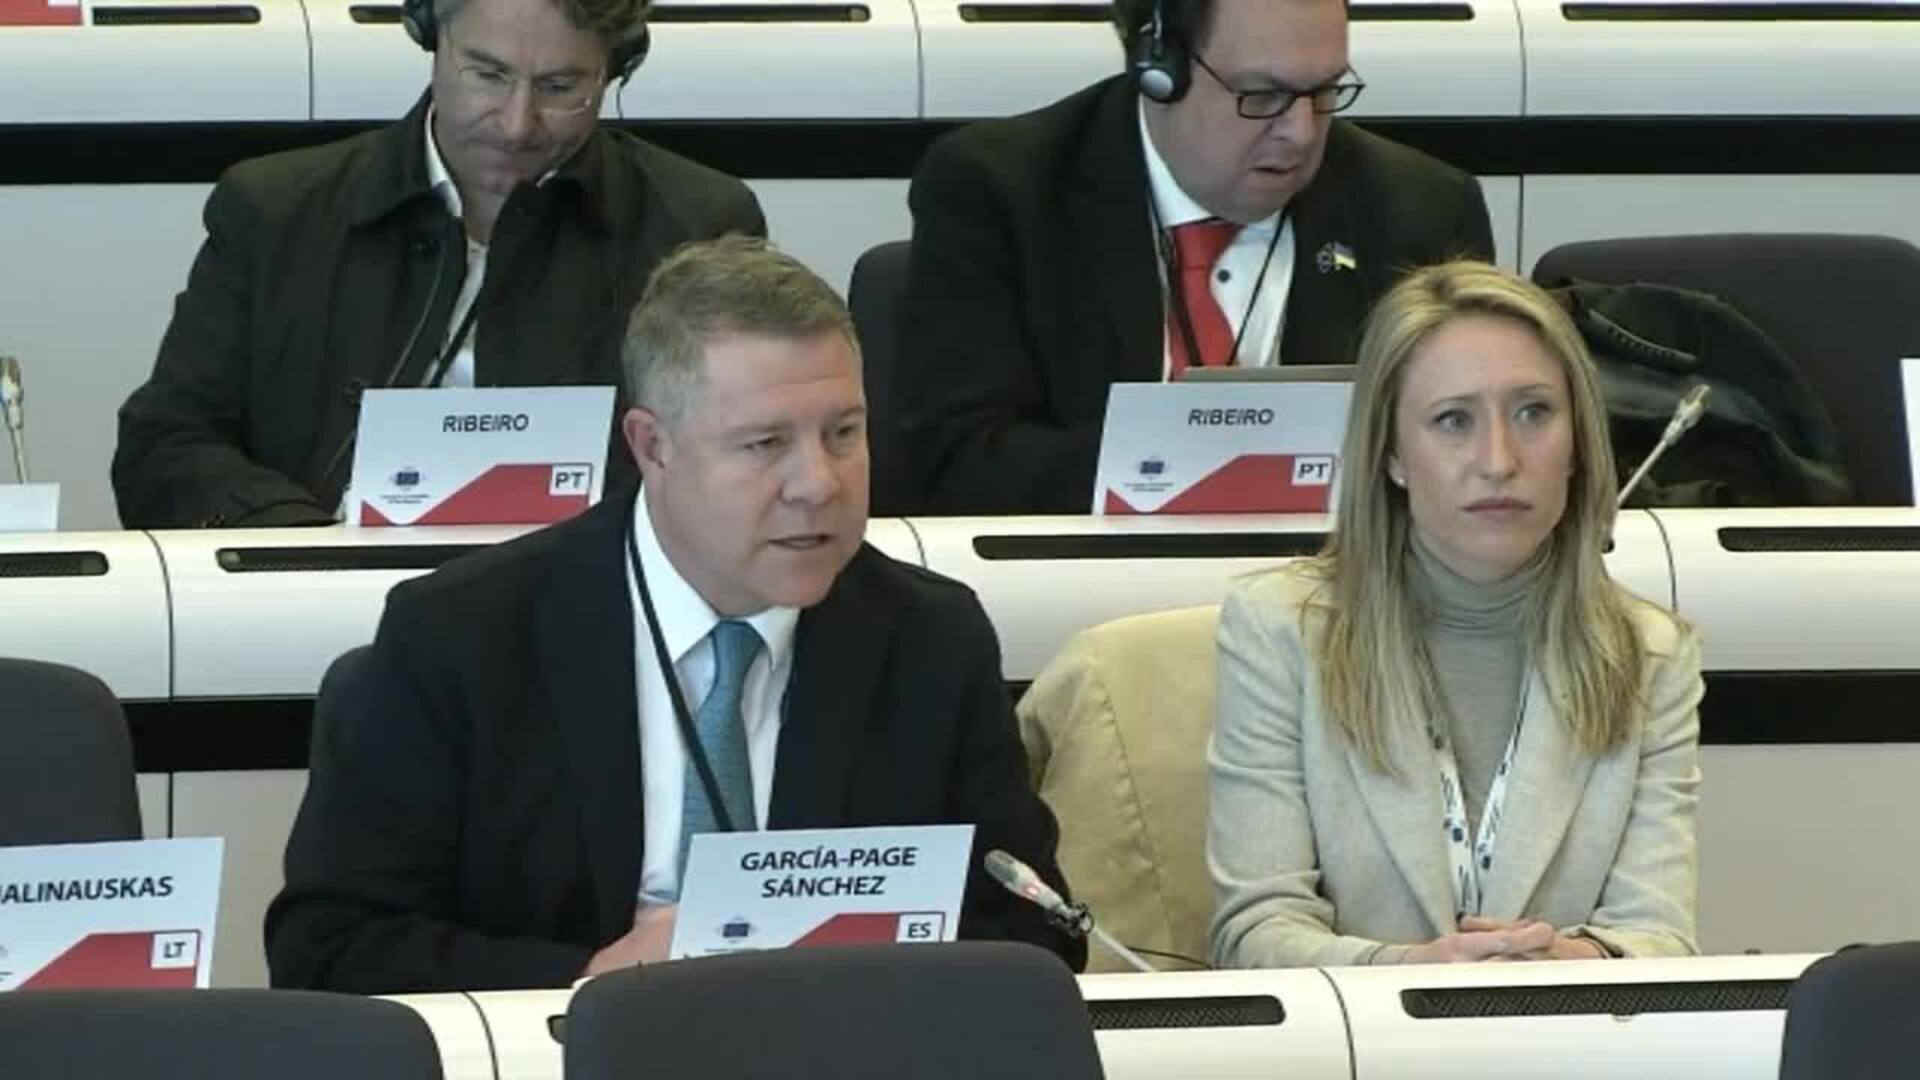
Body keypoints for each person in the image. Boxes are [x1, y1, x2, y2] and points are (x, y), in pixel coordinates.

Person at [265, 236, 1083, 993]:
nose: (819, 483)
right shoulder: (463, 636)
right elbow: (330, 947)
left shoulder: (929, 640)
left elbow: (1033, 930)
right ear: (652, 446)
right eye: (764, 444)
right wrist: (592, 977)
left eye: (843, 433)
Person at [1209, 260, 1703, 968]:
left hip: (1562, 1030)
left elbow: (1659, 938)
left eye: (1533, 413)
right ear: (1391, 455)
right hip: (1357, 1034)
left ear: (1577, 445)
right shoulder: (1279, 630)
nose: (1498, 460)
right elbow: (1254, 931)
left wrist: (1565, 965)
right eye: (1453, 421)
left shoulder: (1650, 655)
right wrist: (1411, 972)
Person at [112, 0, 764, 529]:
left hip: (585, 606)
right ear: (429, 34)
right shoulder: (275, 211)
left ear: (615, 69)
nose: (516, 124)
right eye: (487, 74)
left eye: (560, 87)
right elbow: (166, 445)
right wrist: (302, 542)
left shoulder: (697, 225)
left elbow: (745, 450)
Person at [891, 0, 1494, 515]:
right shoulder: (1001, 192)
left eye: (1325, 92)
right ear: (1158, 69)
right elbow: (958, 463)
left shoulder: (1421, 208)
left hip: (1338, 587)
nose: (1302, 133)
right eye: (1263, 95)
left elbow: (1470, 447)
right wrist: (1198, 463)